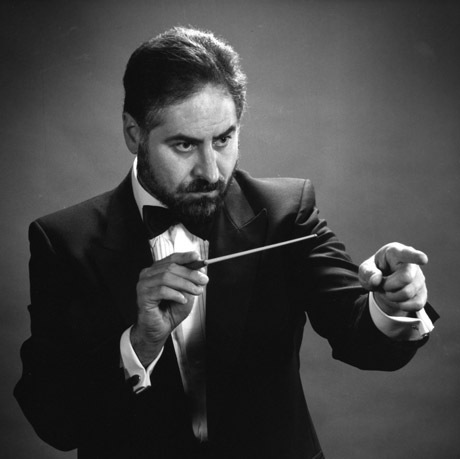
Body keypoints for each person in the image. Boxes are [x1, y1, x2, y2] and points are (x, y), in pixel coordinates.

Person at [14, 27, 438, 459]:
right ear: (133, 133)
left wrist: (392, 303)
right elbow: (53, 421)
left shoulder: (285, 212)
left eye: (223, 139)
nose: (212, 171)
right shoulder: (63, 241)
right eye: (184, 145)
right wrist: (139, 343)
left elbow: (360, 336)